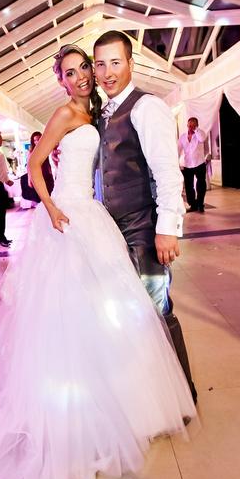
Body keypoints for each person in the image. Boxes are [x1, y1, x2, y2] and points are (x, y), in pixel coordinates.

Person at [0, 45, 196, 479]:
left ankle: (122, 399)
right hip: (67, 215)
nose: (82, 77)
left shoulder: (99, 111)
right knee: (68, 310)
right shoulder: (64, 113)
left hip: (94, 215)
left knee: (109, 309)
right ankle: (75, 411)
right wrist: (52, 207)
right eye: (71, 72)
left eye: (86, 68)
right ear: (60, 79)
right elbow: (35, 165)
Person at [93, 30, 196, 403]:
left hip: (143, 228)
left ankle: (182, 397)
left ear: (131, 64)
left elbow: (168, 173)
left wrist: (167, 229)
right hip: (110, 231)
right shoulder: (101, 114)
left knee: (157, 310)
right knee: (126, 315)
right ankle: (146, 396)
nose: (107, 72)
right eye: (100, 64)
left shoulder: (146, 107)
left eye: (115, 62)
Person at [178, 117, 208, 213]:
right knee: (188, 186)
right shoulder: (183, 137)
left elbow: (202, 138)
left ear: (196, 125)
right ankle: (193, 205)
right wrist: (176, 162)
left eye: (193, 124)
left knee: (201, 185)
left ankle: (200, 204)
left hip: (199, 163)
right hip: (187, 164)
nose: (191, 126)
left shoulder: (200, 134)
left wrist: (196, 130)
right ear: (187, 125)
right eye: (189, 124)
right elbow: (178, 149)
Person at [20, 131, 55, 205]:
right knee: (42, 198)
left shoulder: (46, 149)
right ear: (33, 142)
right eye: (35, 140)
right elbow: (29, 166)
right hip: (39, 176)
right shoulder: (32, 152)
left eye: (39, 139)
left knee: (50, 195)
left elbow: (49, 162)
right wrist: (29, 179)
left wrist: (51, 172)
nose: (37, 141)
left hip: (48, 176)